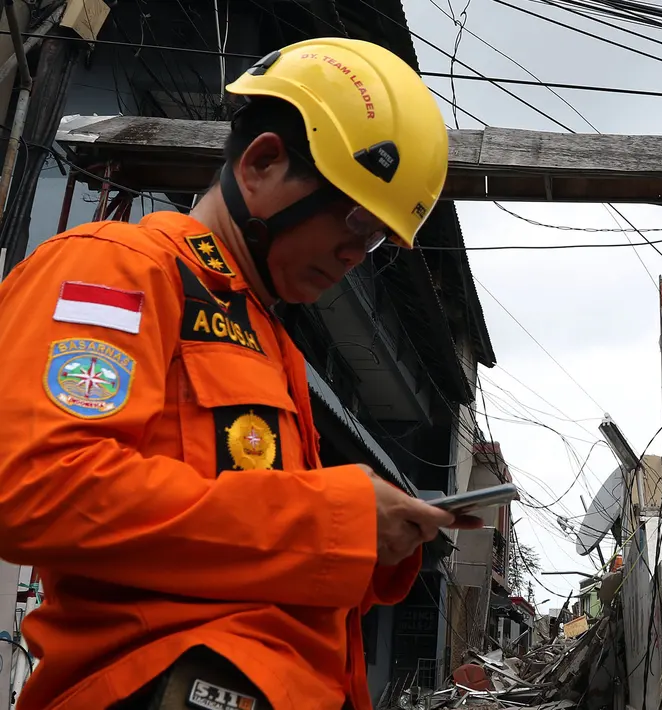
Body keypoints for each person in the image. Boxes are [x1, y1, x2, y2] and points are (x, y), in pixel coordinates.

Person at [0, 37, 476, 710]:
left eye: (374, 241)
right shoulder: (116, 267)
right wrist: (332, 517)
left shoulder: (265, 339)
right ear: (262, 163)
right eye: (355, 221)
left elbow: (247, 543)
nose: (354, 255)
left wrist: (374, 537)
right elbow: (39, 487)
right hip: (154, 682)